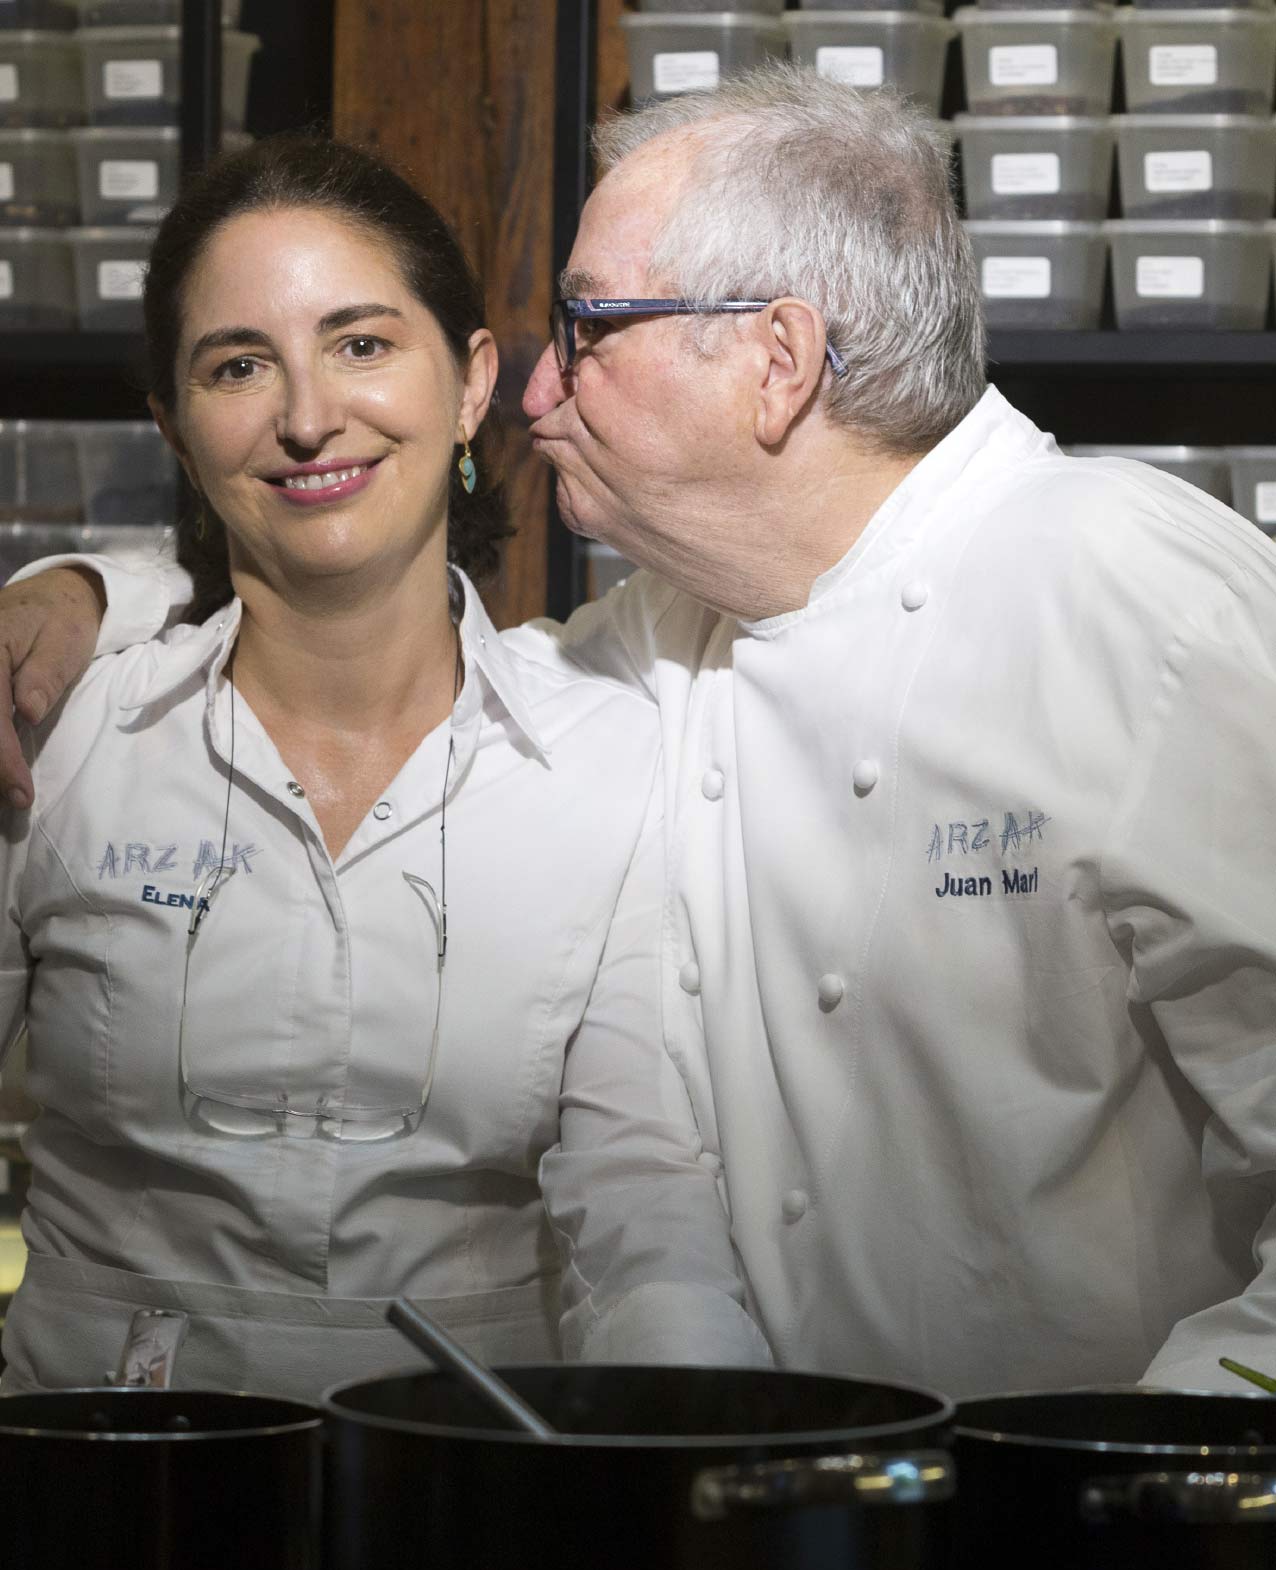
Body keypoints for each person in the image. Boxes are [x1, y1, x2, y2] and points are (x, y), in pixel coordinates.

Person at [5, 67, 1276, 1399]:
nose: (544, 393)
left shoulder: (1137, 595)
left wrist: (1141, 1484)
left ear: (778, 362)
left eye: (593, 327)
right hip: (797, 1495)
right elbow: (358, 635)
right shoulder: (663, 641)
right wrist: (91, 592)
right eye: (240, 365)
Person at [0, 133, 770, 1401]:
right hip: (109, 1492)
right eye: (239, 366)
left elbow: (641, 1198)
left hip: (464, 1485)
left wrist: (687, 1445)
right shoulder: (64, 728)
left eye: (362, 344)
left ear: (471, 385)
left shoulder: (608, 747)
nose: (308, 418)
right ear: (175, 428)